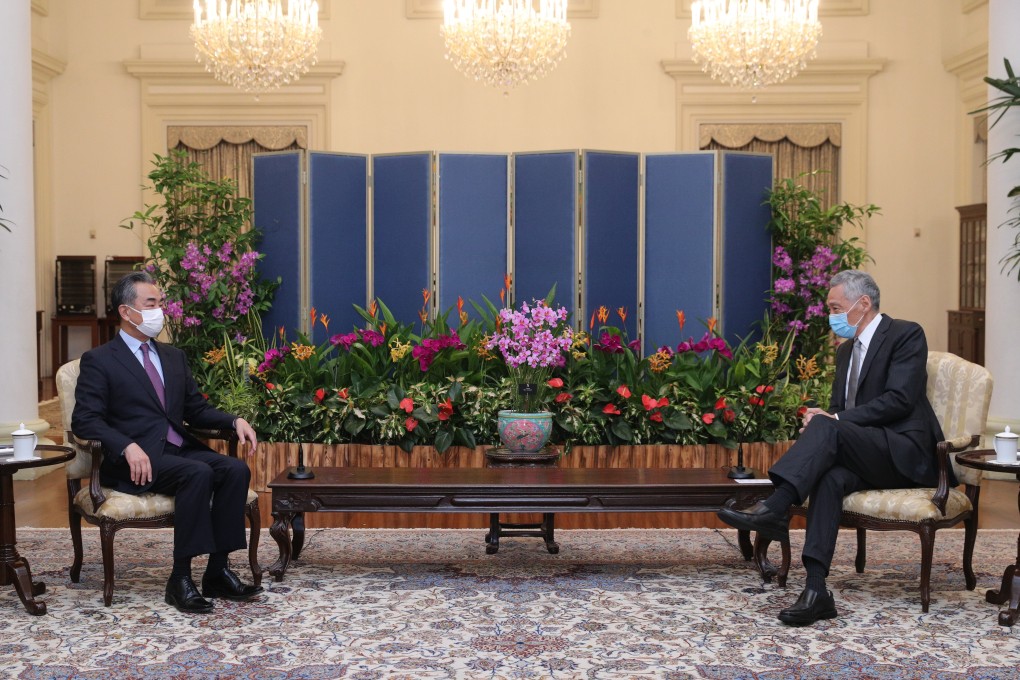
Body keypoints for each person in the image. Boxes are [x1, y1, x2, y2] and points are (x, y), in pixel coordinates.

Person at [718, 270, 946, 626]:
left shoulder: (905, 334)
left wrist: (833, 421)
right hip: (864, 453)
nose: (831, 316)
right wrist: (822, 417)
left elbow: (900, 400)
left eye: (836, 307)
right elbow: (841, 411)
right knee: (830, 477)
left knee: (829, 426)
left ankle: (776, 505)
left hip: (905, 453)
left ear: (864, 303)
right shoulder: (844, 354)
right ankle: (815, 590)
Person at [72, 271, 263, 614]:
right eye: (151, 303)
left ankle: (217, 570)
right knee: (197, 474)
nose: (160, 310)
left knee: (234, 470)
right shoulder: (100, 360)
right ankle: (180, 579)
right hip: (134, 461)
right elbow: (85, 420)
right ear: (126, 312)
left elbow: (196, 409)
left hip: (177, 450)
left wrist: (233, 420)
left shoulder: (173, 357)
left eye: (161, 303)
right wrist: (126, 445)